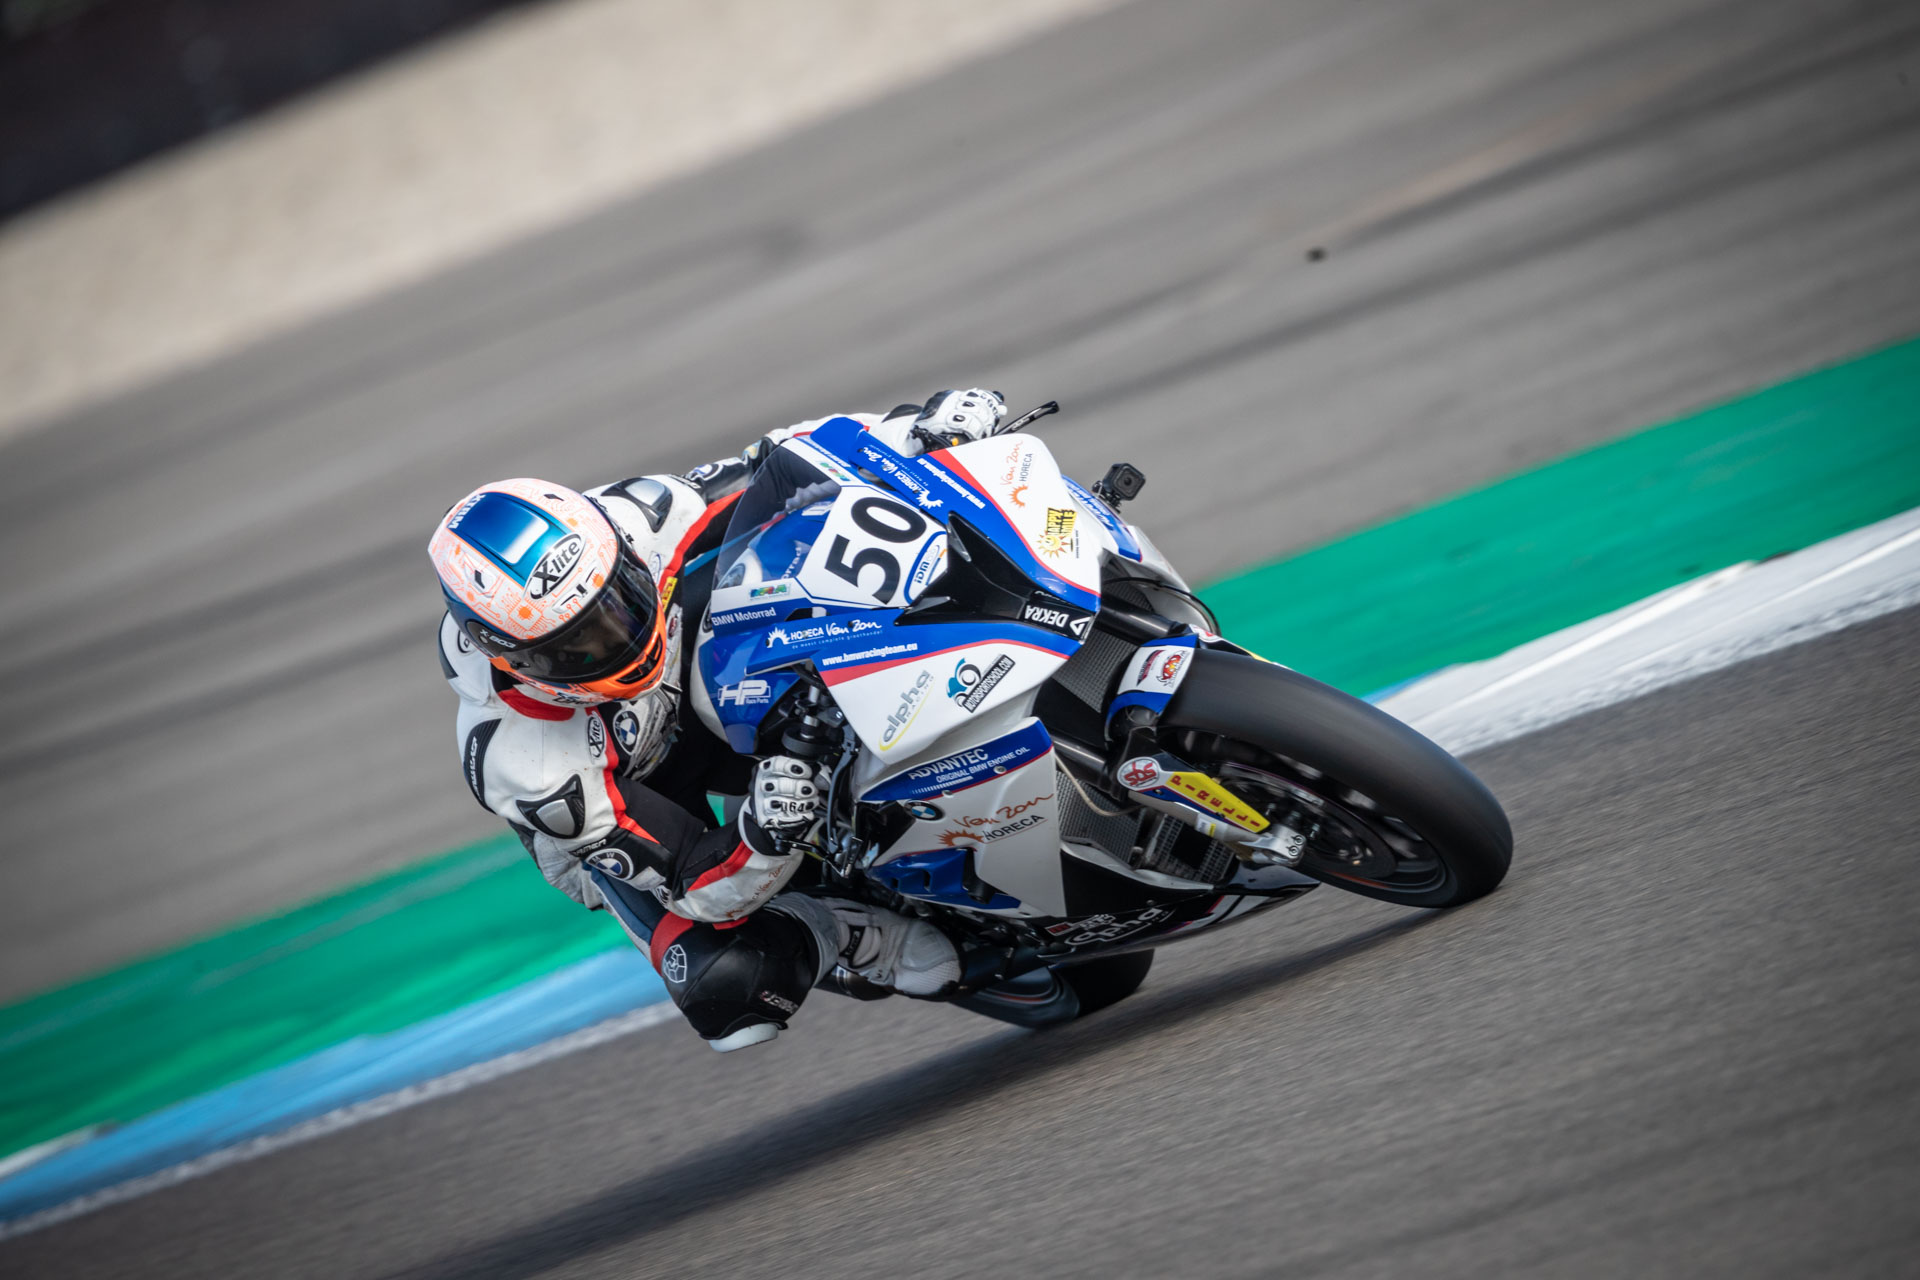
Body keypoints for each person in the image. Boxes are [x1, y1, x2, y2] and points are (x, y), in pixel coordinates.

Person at [428, 390, 1010, 1050]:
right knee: (728, 982)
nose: (616, 640)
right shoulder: (527, 762)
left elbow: (782, 462)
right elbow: (693, 884)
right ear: (508, 656)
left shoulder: (639, 514)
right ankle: (849, 934)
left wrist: (915, 433)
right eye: (573, 648)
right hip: (635, 795)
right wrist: (765, 826)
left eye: (618, 601)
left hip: (696, 674)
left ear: (618, 552)